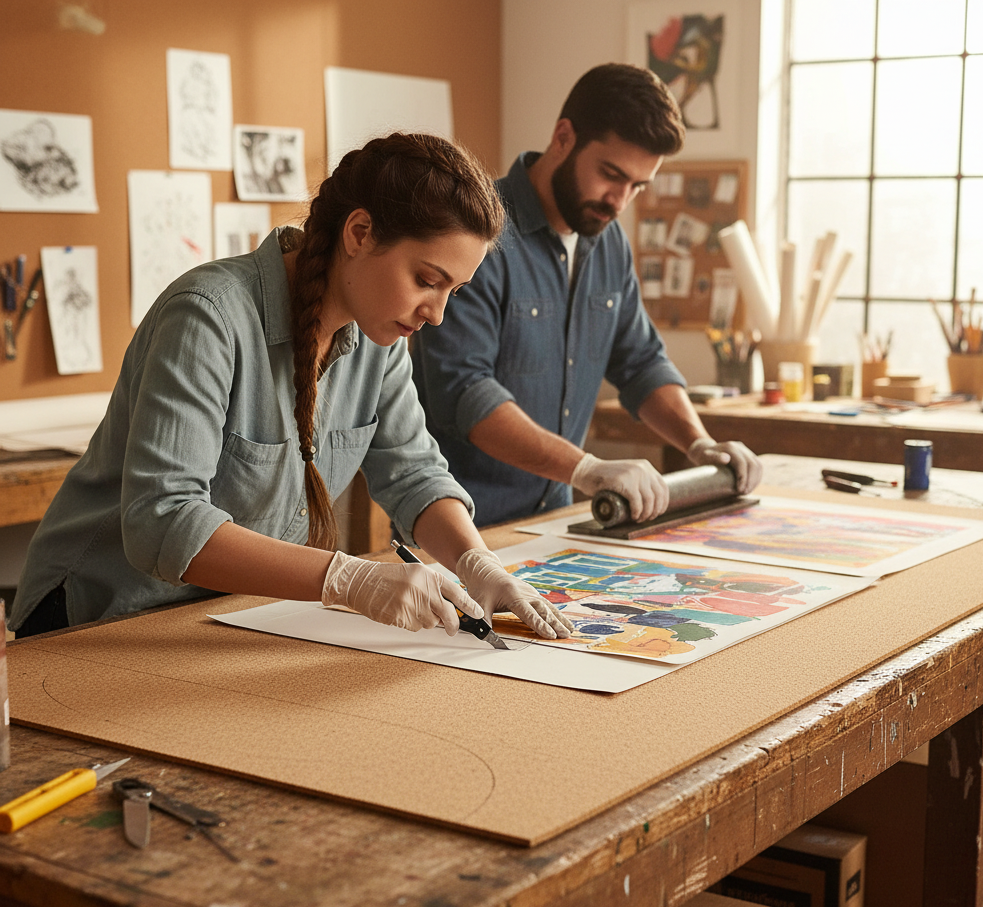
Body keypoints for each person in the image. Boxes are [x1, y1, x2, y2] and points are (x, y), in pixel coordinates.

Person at [10, 133, 571, 647]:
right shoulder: (208, 317)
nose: (438, 314)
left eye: (454, 290)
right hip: (98, 622)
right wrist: (348, 578)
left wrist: (477, 562)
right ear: (359, 233)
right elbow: (163, 519)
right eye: (427, 280)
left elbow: (415, 474)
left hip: (219, 620)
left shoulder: (379, 336)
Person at [411, 64, 762, 528]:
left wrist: (699, 443)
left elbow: (641, 363)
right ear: (563, 137)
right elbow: (465, 394)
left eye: (637, 186)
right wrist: (588, 469)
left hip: (557, 521)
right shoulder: (477, 230)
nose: (619, 201)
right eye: (611, 174)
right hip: (462, 528)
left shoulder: (608, 242)